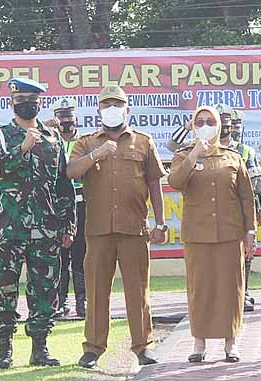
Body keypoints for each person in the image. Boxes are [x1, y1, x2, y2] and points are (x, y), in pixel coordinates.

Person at [66, 85, 165, 368]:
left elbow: (155, 183)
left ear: (127, 110)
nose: (112, 109)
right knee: (96, 292)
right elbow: (71, 171)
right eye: (106, 105)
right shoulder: (86, 142)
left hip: (134, 229)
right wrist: (96, 155)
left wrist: (160, 222)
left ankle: (143, 347)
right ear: (98, 111)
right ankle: (93, 349)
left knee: (138, 291)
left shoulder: (143, 142)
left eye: (117, 104)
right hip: (98, 231)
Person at [0, 78, 76, 369]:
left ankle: (40, 347)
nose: (28, 103)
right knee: (3, 288)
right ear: (12, 101)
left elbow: (63, 185)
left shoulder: (53, 139)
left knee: (44, 289)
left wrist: (68, 224)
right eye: (21, 97)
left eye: (33, 98)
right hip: (7, 227)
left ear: (40, 103)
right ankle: (4, 349)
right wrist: (22, 148)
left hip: (45, 227)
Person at [169, 105, 257, 363]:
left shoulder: (233, 156)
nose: (205, 125)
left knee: (231, 289)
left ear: (219, 126)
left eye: (210, 121)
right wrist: (195, 151)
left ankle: (231, 343)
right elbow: (175, 182)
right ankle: (199, 343)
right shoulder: (184, 155)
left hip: (230, 234)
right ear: (193, 126)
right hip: (197, 235)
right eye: (200, 121)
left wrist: (250, 230)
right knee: (201, 289)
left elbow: (246, 197)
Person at [42, 98, 89, 318]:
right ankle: (60, 302)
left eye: (69, 116)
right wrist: (44, 129)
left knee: (81, 254)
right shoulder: (48, 140)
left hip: (81, 203)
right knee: (58, 255)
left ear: (76, 117)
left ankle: (83, 300)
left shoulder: (86, 141)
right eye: (61, 116)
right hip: (55, 205)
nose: (65, 120)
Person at [230, 108, 261, 312]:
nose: (234, 129)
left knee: (247, 252)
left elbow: (259, 183)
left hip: (244, 209)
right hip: (220, 209)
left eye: (237, 125)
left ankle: (243, 293)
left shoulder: (247, 151)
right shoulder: (206, 148)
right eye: (231, 124)